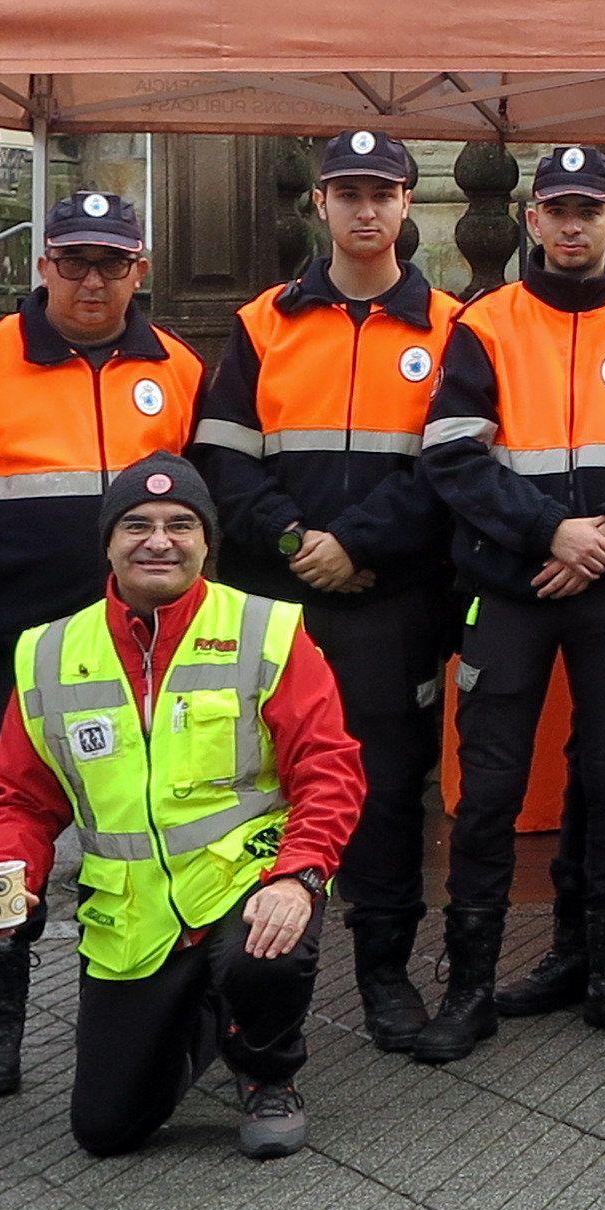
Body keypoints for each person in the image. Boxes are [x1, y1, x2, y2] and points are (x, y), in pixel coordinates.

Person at [0, 458, 362, 1161]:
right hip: (132, 914)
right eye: (136, 525)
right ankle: (207, 1011)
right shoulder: (49, 652)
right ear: (108, 542)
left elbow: (329, 768)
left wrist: (301, 876)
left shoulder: (265, 628)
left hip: (246, 884)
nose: (159, 541)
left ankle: (267, 1073)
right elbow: (21, 795)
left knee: (266, 957)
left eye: (181, 525)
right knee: (107, 1130)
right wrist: (5, 878)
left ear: (208, 542)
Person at [411, 143, 605, 1056]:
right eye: (559, 209)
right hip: (513, 586)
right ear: (533, 221)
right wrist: (551, 533)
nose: (574, 224)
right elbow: (453, 453)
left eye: (591, 209)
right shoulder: (486, 323)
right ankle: (469, 988)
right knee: (493, 789)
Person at [0, 188, 203, 1102]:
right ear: (42, 265)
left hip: (147, 648)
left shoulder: (182, 369)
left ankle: (163, 1011)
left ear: (138, 271)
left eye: (111, 263)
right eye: (73, 260)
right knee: (6, 835)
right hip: (19, 653)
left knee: (164, 825)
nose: (91, 279)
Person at [191, 131, 453, 1054]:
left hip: (388, 599)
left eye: (382, 192)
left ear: (408, 204)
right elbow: (221, 458)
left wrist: (358, 544)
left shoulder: (450, 326)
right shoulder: (265, 322)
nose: (366, 210)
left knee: (386, 788)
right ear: (321, 206)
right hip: (277, 599)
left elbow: (451, 467)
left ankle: (384, 972)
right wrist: (303, 542)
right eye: (348, 193)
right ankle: (245, 971)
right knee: (258, 783)